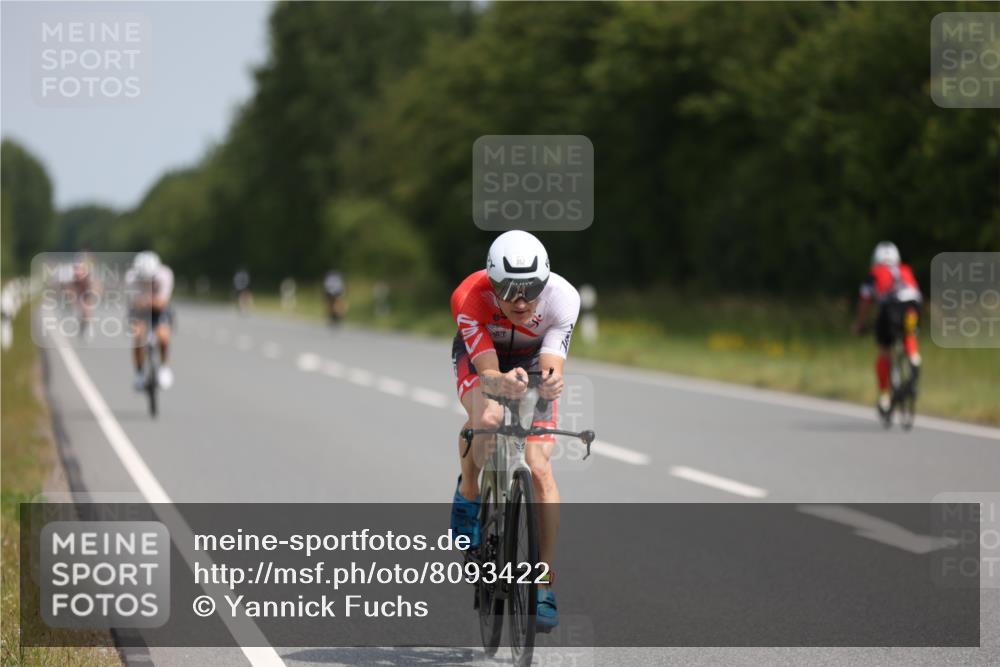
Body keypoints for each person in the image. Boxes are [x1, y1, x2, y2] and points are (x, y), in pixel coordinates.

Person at [449, 230, 580, 632]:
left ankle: (542, 581)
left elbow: (552, 363)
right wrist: (499, 384)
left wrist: (552, 382)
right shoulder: (469, 296)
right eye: (509, 292)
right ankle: (468, 494)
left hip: (530, 358)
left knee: (540, 469)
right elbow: (488, 371)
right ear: (492, 283)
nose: (521, 302)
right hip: (481, 358)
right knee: (486, 419)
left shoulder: (563, 298)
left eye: (530, 291)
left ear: (545, 282)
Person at [852, 241, 922, 416]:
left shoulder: (874, 274)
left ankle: (884, 396)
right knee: (909, 333)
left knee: (884, 349)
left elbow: (865, 302)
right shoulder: (906, 270)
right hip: (913, 307)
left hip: (891, 309)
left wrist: (860, 324)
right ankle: (914, 358)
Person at [127, 251, 175, 390]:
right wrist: (145, 302)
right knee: (138, 336)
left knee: (164, 337)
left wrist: (148, 301)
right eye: (144, 279)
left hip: (159, 310)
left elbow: (163, 303)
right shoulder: (131, 277)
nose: (147, 282)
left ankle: (164, 367)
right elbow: (135, 302)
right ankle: (140, 373)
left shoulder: (165, 275)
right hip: (140, 311)